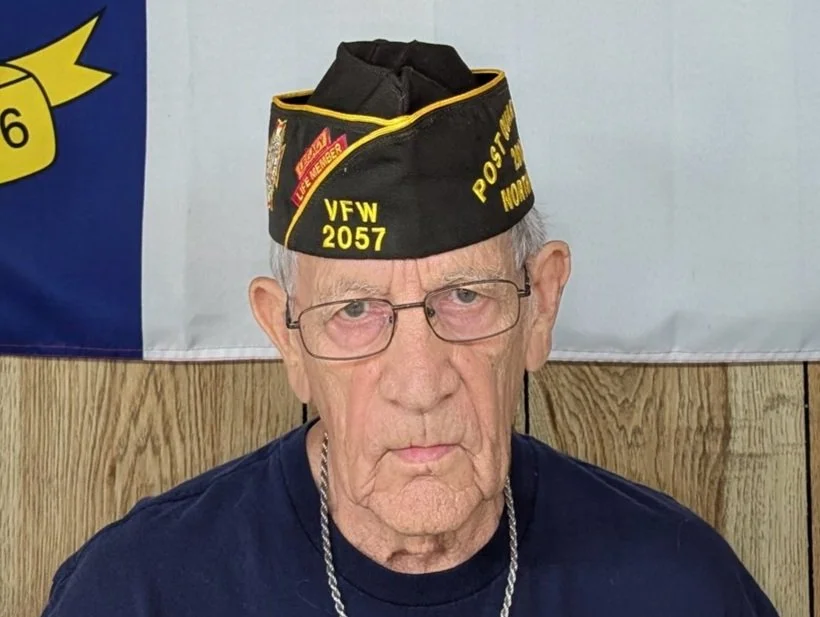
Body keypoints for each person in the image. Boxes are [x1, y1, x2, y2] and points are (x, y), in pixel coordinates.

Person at [40, 40, 779, 617]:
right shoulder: (138, 592)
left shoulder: (679, 586)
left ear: (540, 306)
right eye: (355, 311)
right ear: (287, 335)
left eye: (465, 296)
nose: (420, 384)